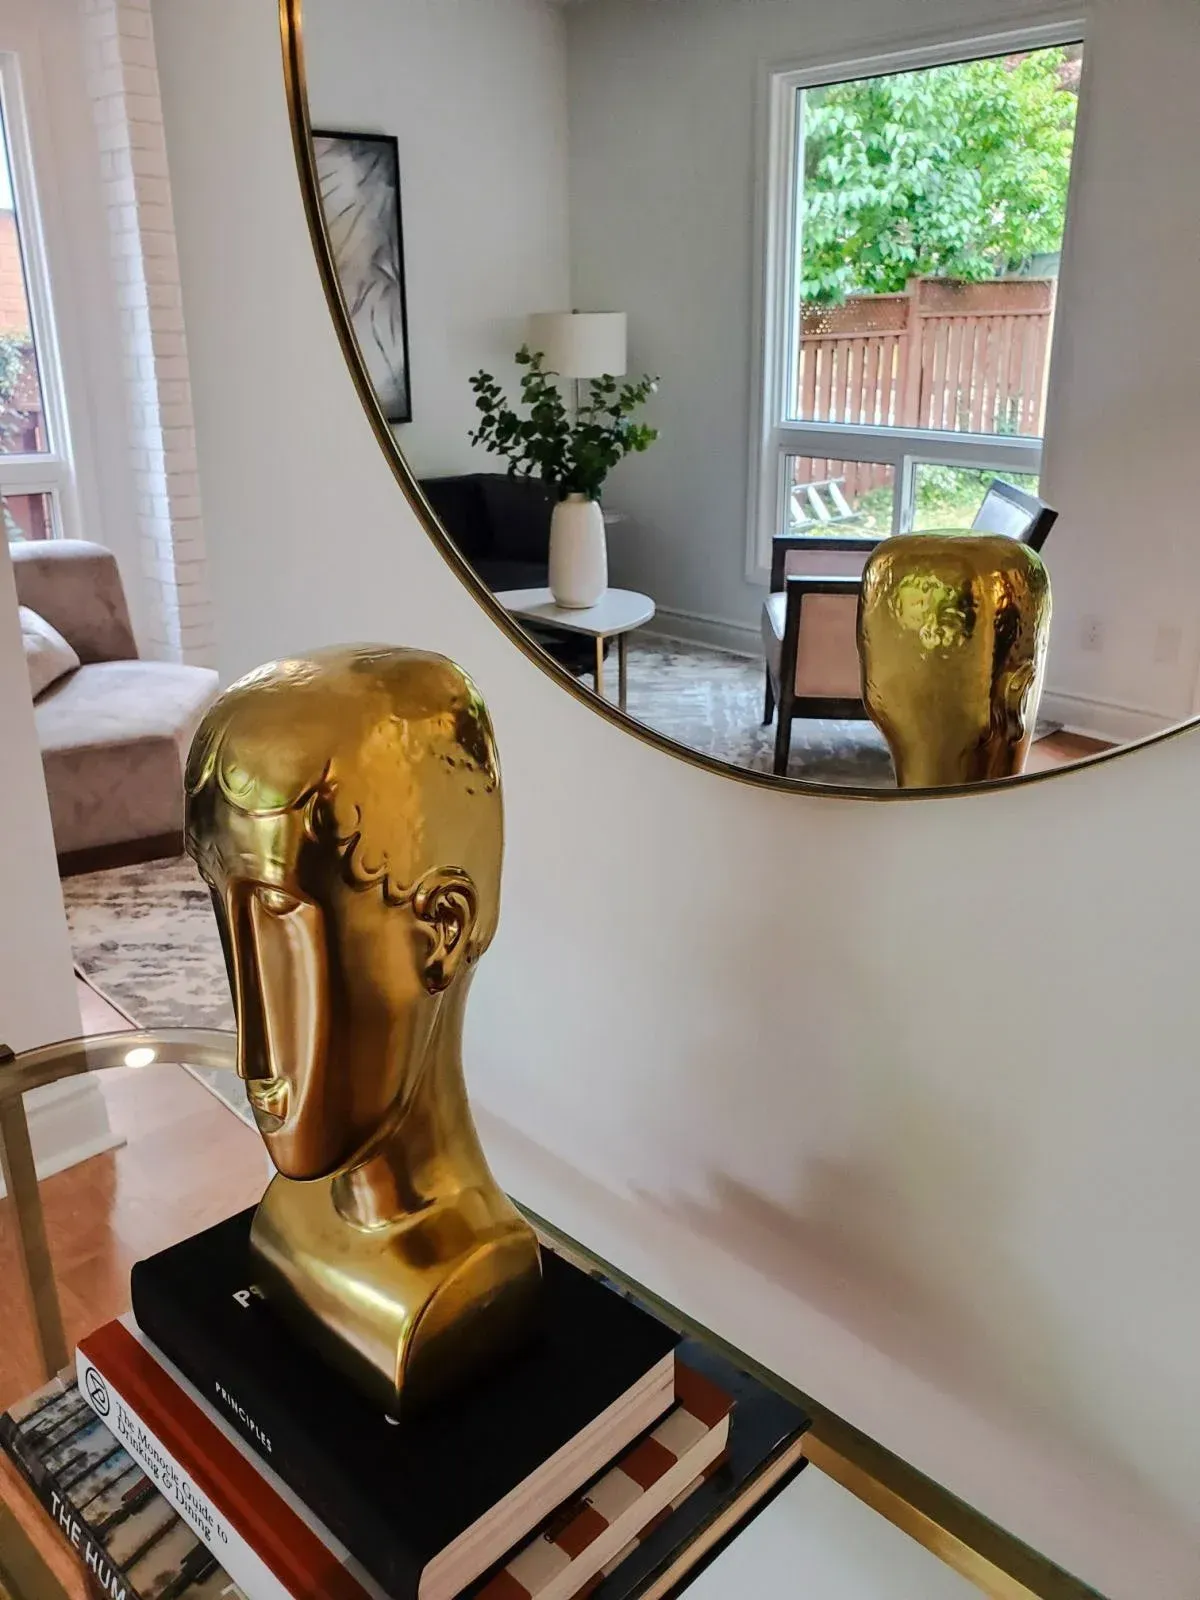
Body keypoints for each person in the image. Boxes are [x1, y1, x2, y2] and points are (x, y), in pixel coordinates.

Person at [185, 645, 541, 1414]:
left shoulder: (470, 1280)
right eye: (220, 905)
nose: (251, 1045)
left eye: (281, 917)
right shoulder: (288, 1212)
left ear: (442, 932)